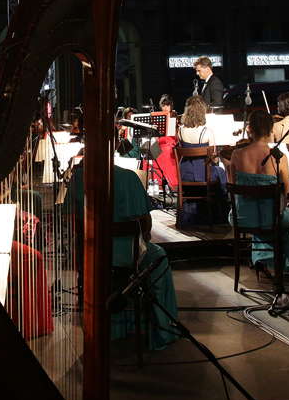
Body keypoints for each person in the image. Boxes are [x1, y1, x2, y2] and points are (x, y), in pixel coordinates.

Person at [68, 161, 178, 350]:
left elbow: (74, 222)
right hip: (129, 256)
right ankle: (162, 328)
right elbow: (145, 225)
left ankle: (107, 323)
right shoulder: (129, 177)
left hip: (91, 255)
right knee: (159, 257)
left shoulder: (78, 178)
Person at [227, 111, 289, 277]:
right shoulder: (279, 158)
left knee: (259, 216)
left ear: (250, 130)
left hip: (243, 218)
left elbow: (231, 186)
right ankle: (283, 265)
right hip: (271, 218)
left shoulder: (237, 155)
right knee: (284, 218)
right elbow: (286, 192)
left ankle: (263, 260)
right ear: (271, 130)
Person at [175, 95, 228, 226]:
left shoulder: (180, 131)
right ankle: (220, 215)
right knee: (221, 171)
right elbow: (214, 158)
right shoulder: (207, 131)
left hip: (185, 173)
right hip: (204, 174)